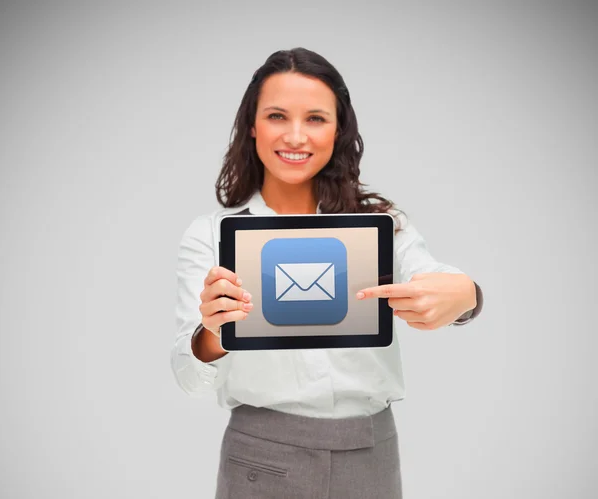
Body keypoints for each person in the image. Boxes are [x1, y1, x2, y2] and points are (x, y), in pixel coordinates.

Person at [171, 47, 483, 499]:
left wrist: (467, 294)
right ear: (252, 127)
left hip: (371, 454)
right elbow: (188, 375)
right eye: (278, 115)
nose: (296, 136)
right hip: (261, 457)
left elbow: (433, 277)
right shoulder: (212, 235)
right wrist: (215, 332)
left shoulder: (384, 226)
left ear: (339, 131)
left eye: (315, 118)